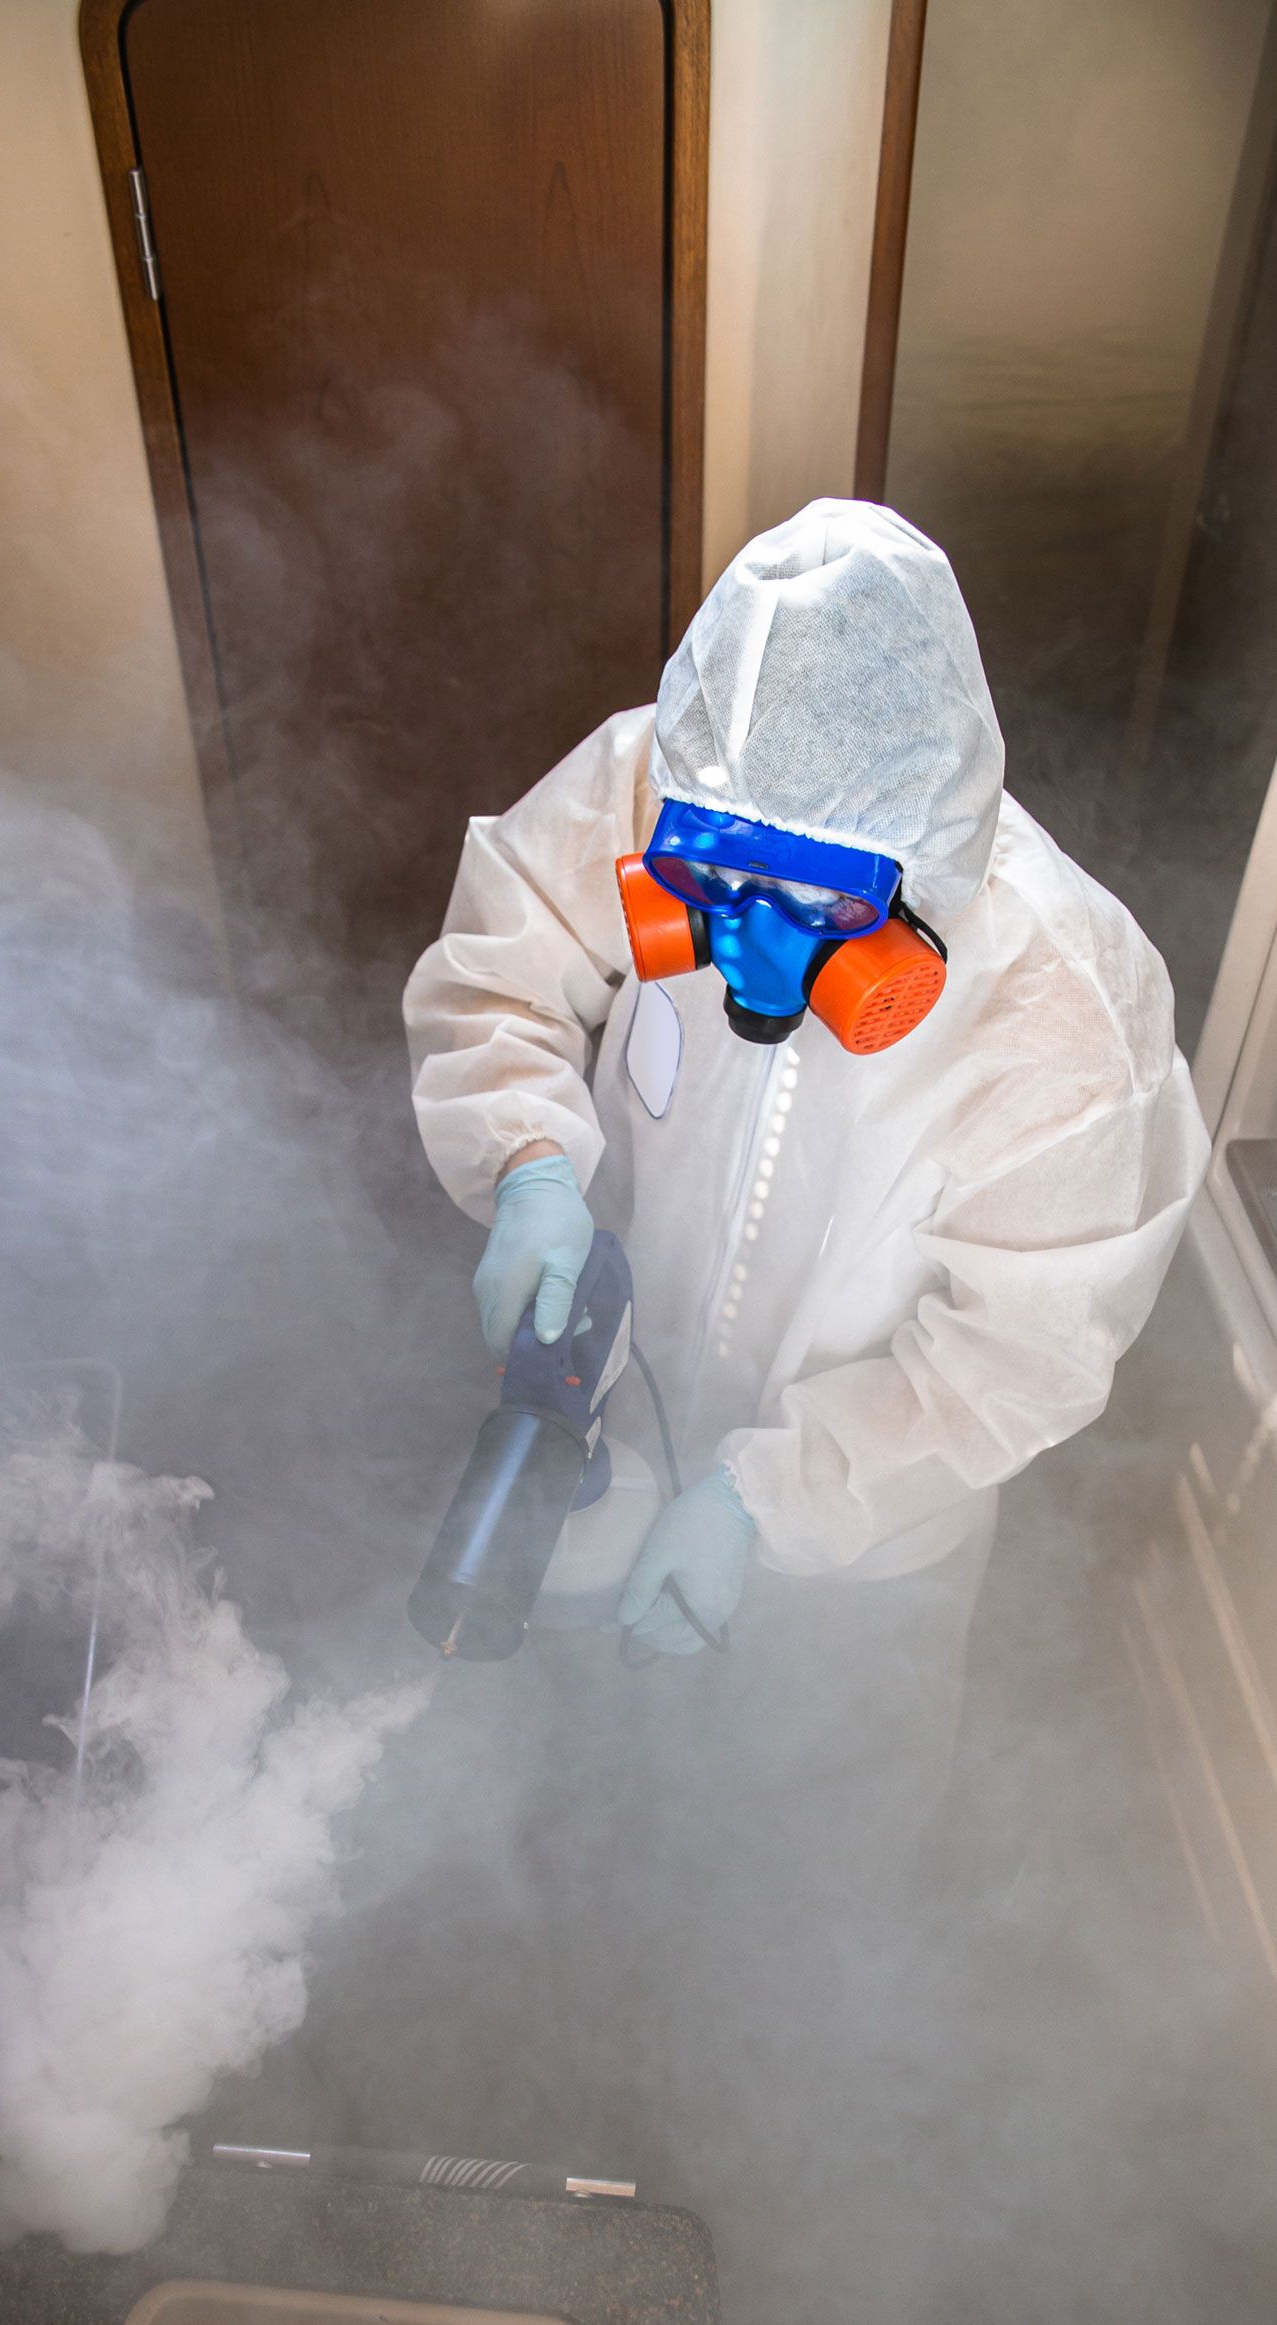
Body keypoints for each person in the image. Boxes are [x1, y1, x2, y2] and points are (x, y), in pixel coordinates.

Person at [403, 499, 1208, 1679]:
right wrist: (526, 1161)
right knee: (601, 1763)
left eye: (823, 908)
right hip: (620, 1420)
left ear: (921, 872)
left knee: (835, 1817)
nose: (751, 953)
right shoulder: (659, 781)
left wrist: (762, 1503)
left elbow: (1020, 1356)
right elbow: (499, 970)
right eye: (717, 881)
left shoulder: (1066, 1016)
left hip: (871, 1536)